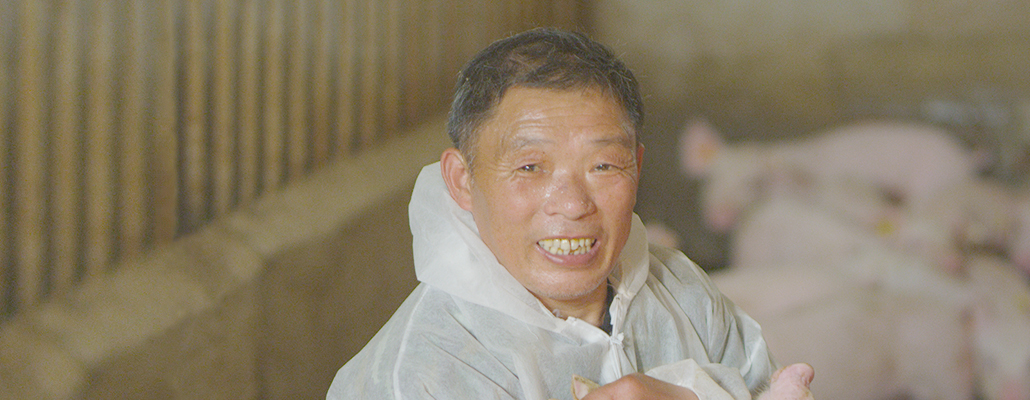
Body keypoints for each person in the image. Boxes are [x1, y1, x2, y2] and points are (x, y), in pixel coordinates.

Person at [326, 27, 812, 400]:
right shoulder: (424, 373)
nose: (574, 204)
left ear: (637, 167)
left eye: (603, 166)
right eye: (529, 167)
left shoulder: (681, 291)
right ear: (462, 181)